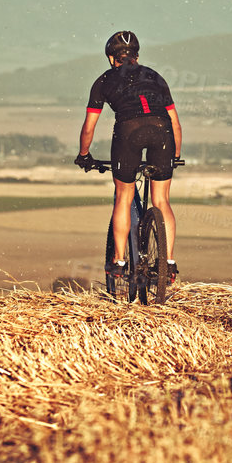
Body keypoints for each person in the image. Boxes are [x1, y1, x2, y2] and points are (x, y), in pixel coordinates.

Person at [75, 30, 182, 282]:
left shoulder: (103, 81)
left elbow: (89, 126)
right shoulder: (155, 77)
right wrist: (175, 155)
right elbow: (175, 123)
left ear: (112, 58)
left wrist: (84, 154)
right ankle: (169, 262)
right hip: (162, 131)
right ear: (136, 55)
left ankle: (120, 262)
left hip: (128, 131)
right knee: (162, 200)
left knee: (123, 197)